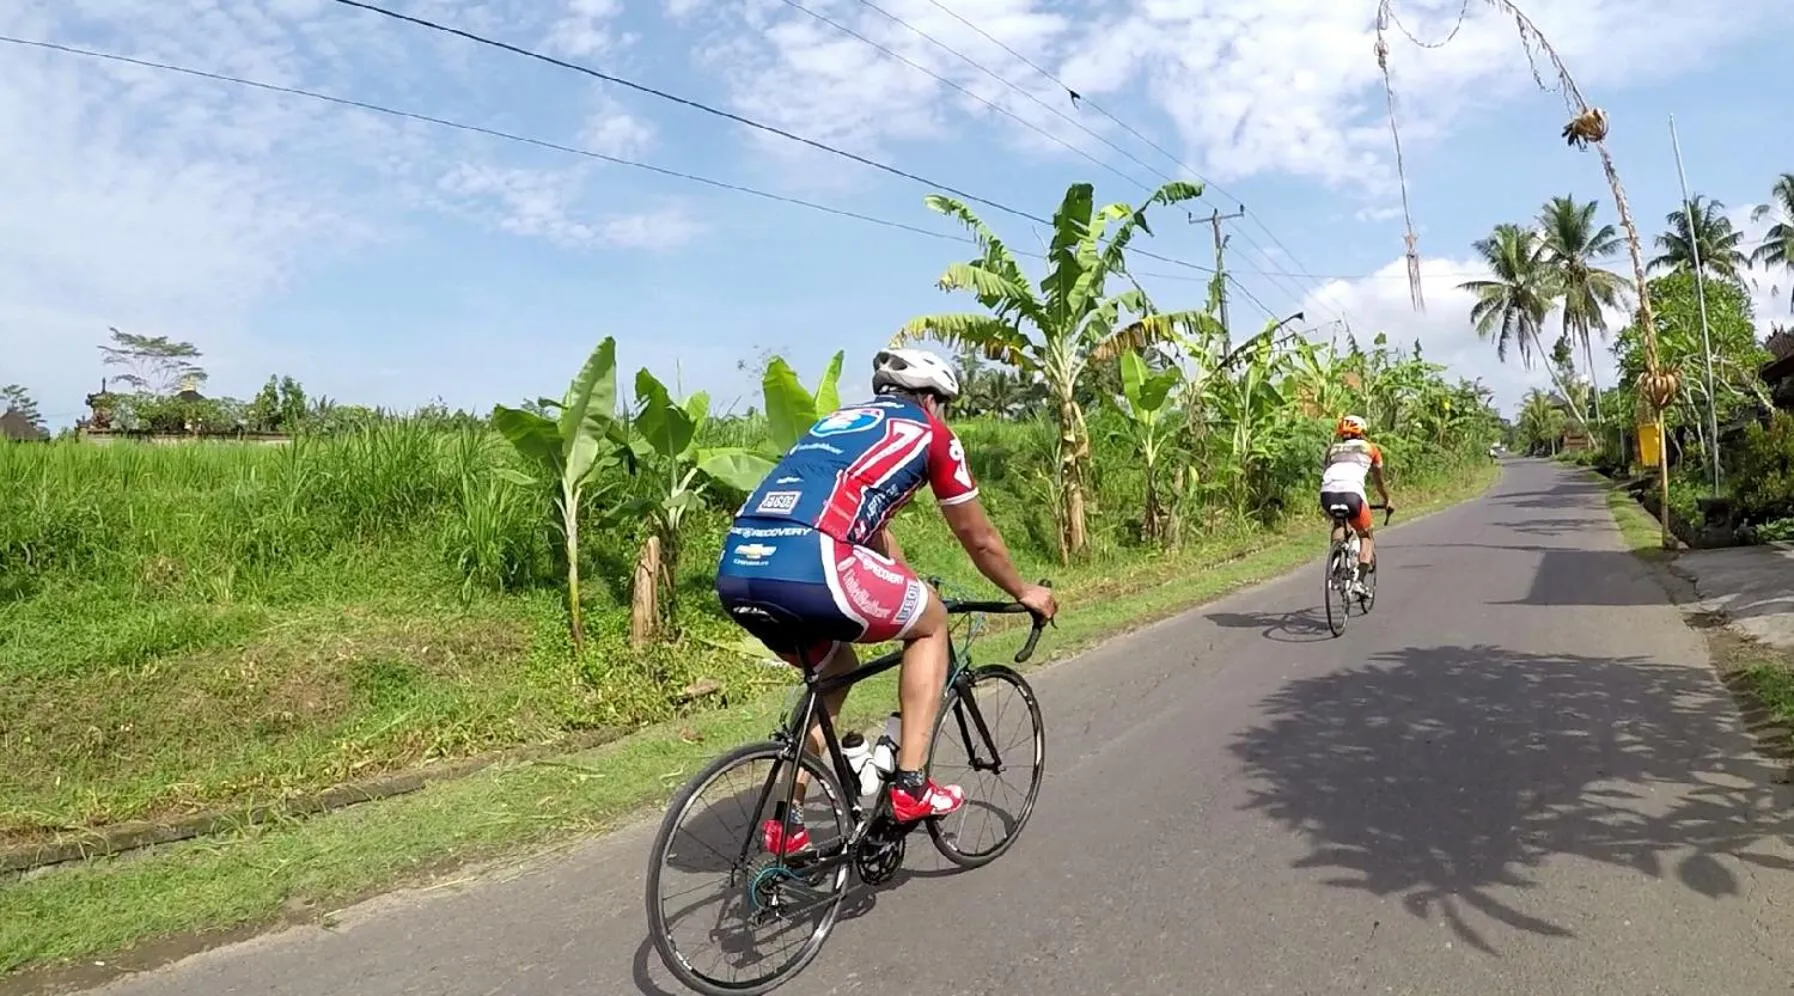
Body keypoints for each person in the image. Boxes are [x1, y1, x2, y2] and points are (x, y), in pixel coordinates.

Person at [715, 347, 1058, 855]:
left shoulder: (838, 425)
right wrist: (1024, 590)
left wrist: (906, 585)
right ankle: (911, 785)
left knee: (835, 668)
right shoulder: (930, 433)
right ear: (931, 399)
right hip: (813, 561)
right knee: (931, 624)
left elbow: (872, 532)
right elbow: (979, 538)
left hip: (740, 567)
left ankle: (787, 824)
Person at [1319, 414, 1391, 595]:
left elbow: (1326, 471)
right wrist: (1386, 499)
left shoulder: (1332, 449)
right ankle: (1358, 582)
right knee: (1366, 536)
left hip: (1327, 494)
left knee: (1338, 524)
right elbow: (1378, 481)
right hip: (1353, 494)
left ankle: (1335, 568)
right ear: (1362, 431)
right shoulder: (1371, 449)